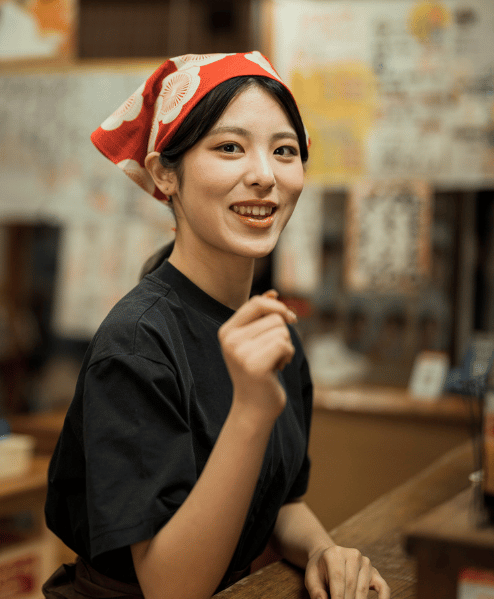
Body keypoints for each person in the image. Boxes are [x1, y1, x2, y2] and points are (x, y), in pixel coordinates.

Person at [42, 52, 391, 599]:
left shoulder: (273, 328)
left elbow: (280, 501)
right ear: (165, 173)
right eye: (229, 147)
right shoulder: (138, 343)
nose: (264, 175)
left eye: (285, 151)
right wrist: (251, 409)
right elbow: (171, 588)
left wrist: (323, 549)